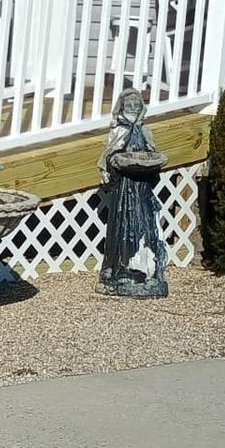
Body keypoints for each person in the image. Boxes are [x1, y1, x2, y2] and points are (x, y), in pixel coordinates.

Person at [98, 89, 169, 298]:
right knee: (124, 228)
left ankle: (146, 268)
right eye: (128, 105)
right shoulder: (117, 130)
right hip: (124, 190)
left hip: (141, 189)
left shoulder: (145, 130)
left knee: (145, 228)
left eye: (136, 106)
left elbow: (152, 151)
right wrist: (110, 165)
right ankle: (122, 268)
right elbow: (110, 154)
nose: (132, 109)